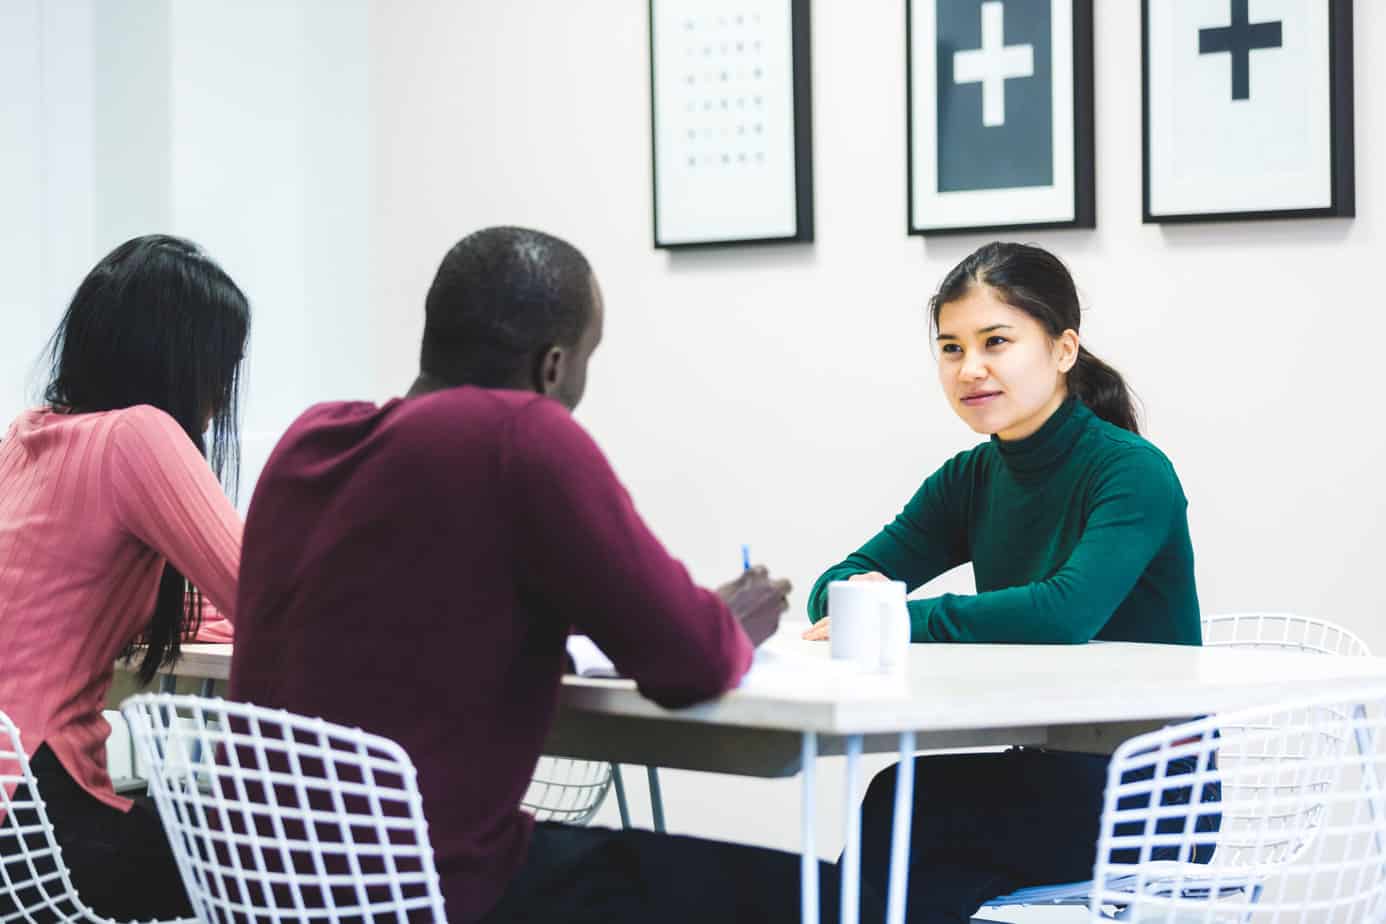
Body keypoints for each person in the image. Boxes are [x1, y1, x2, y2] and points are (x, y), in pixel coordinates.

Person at [230, 226, 882, 924]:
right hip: (431, 890)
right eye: (588, 361)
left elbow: (432, 599)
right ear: (553, 366)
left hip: (260, 886)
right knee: (845, 900)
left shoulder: (312, 439)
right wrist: (728, 624)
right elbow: (689, 662)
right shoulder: (519, 433)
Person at [803, 242, 1217, 922]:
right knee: (911, 831)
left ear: (1062, 349)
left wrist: (895, 616)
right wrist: (862, 599)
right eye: (951, 348)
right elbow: (836, 585)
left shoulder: (1132, 471)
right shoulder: (972, 477)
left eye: (997, 341)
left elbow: (1063, 615)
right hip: (1053, 776)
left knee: (908, 811)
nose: (971, 368)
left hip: (1158, 798)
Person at [0, 234, 250, 920]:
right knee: (267, 856)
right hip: (33, 823)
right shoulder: (138, 437)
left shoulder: (26, 439)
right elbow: (270, 597)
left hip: (15, 813)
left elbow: (67, 592)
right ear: (183, 363)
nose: (221, 393)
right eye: (220, 368)